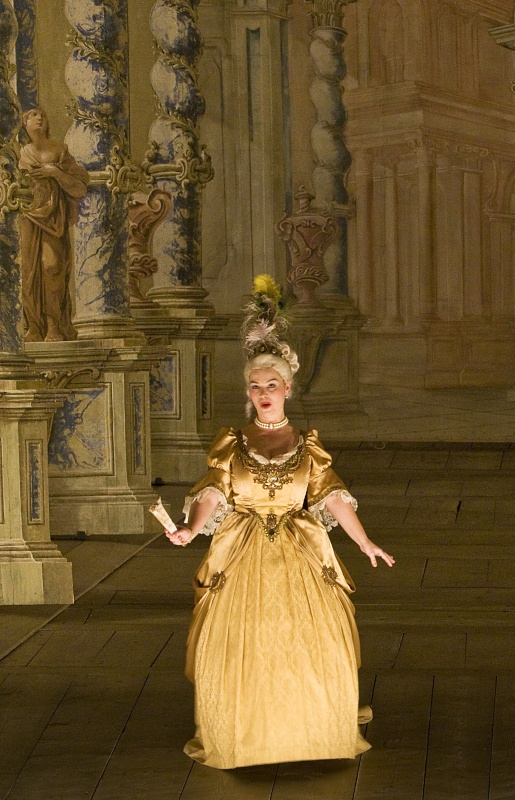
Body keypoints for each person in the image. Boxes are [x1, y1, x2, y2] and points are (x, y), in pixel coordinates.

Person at [166, 275, 394, 768]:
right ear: (248, 392)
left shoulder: (308, 445)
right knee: (240, 644)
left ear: (287, 388)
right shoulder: (232, 442)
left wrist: (365, 542)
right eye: (256, 386)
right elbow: (215, 490)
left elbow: (331, 496)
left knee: (311, 641)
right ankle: (244, 733)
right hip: (241, 547)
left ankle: (309, 730)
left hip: (300, 546)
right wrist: (190, 529)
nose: (264, 392)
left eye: (272, 385)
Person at [18, 107, 88, 342]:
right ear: (24, 124)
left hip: (53, 218)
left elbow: (80, 185)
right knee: (28, 272)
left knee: (52, 267)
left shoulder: (60, 151)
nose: (39, 118)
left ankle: (54, 325)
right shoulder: (19, 153)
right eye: (33, 115)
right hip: (27, 217)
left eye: (42, 115)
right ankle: (34, 327)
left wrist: (55, 173)